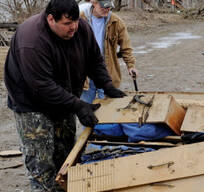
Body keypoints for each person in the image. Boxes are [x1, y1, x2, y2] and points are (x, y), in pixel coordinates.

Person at [4, 0, 126, 191]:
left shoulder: (80, 28)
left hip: (64, 97)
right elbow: (41, 87)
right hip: (32, 103)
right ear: (51, 19)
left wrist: (107, 85)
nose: (74, 27)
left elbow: (94, 59)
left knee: (67, 155)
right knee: (41, 163)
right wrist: (78, 105)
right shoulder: (32, 40)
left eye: (76, 21)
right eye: (68, 24)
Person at [80, 0, 137, 104]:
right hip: (85, 76)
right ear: (94, 2)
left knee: (108, 109)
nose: (107, 10)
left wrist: (130, 65)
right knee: (86, 109)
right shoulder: (80, 20)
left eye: (109, 7)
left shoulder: (116, 22)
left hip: (106, 73)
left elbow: (126, 46)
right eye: (103, 7)